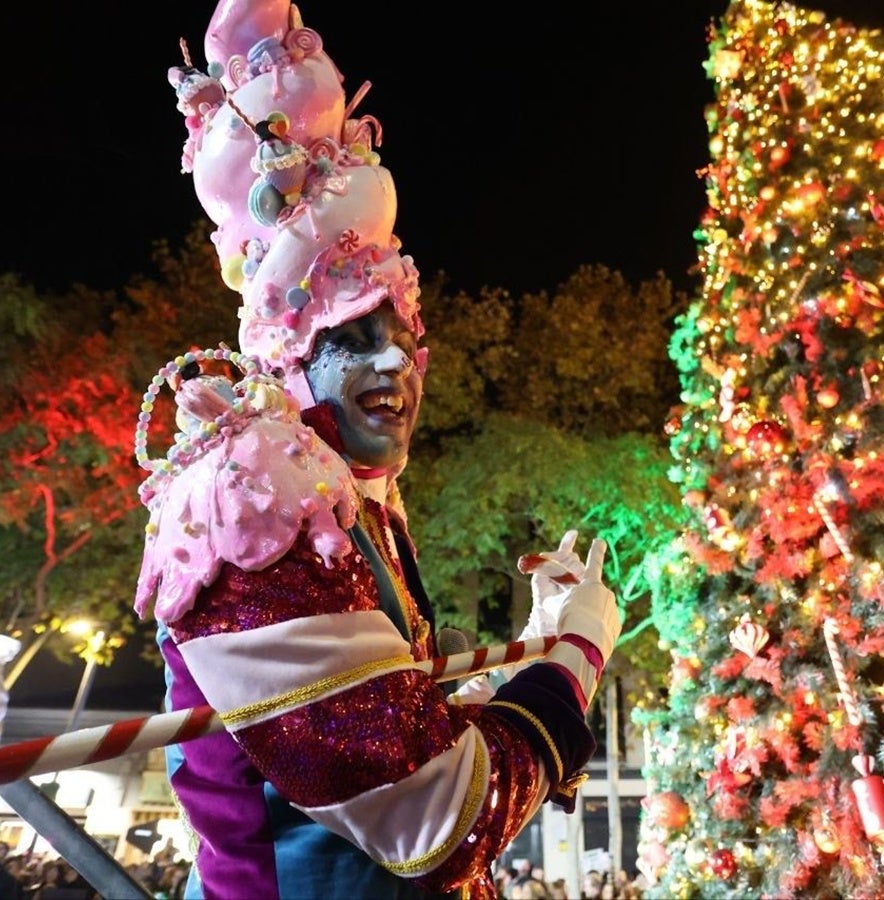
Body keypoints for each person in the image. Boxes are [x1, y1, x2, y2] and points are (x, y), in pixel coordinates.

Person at [133, 1, 621, 898]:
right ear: (288, 359)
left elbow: (386, 736)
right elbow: (432, 816)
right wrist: (575, 657)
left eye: (400, 330)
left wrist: (540, 639)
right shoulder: (253, 492)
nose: (394, 357)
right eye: (350, 335)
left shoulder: (348, 490)